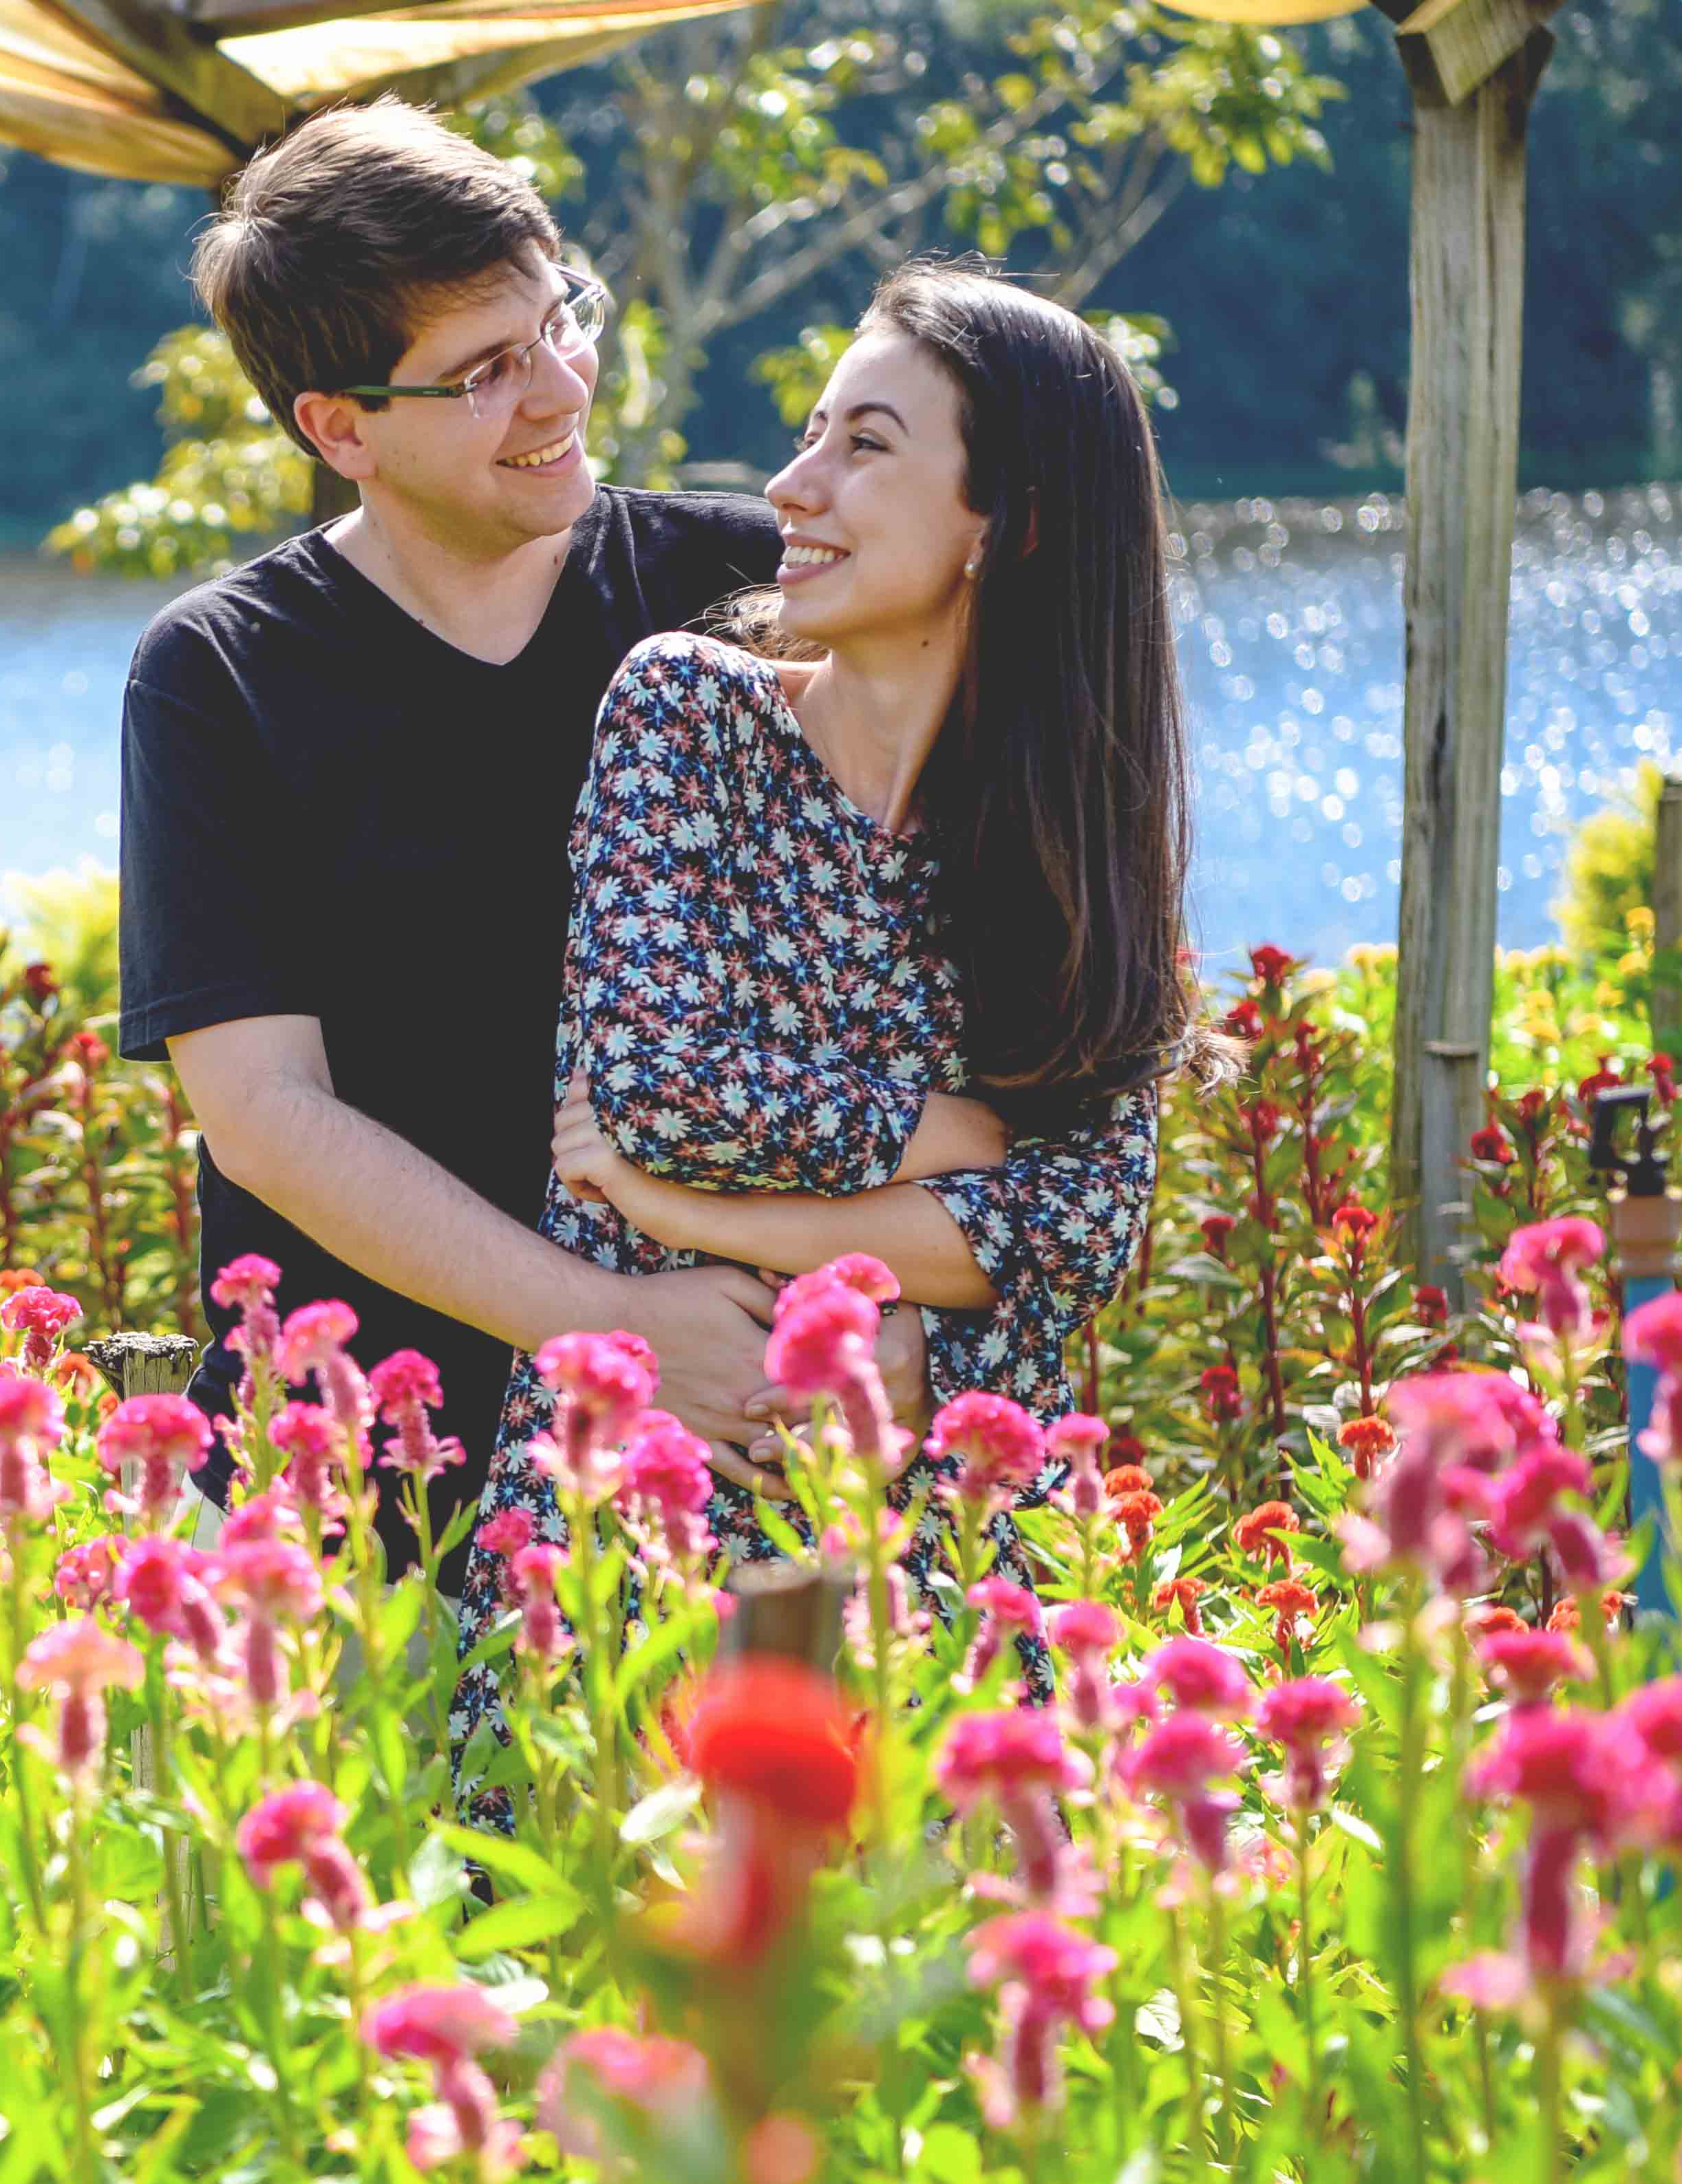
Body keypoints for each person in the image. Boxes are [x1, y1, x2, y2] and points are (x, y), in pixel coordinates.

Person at [116, 101, 931, 1580]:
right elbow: (263, 1116)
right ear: (337, 426)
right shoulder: (220, 672)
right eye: (483, 370)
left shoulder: (749, 585)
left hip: (719, 1474)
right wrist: (608, 1333)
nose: (558, 386)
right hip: (357, 1505)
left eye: (560, 320)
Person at [440, 260, 1193, 1776]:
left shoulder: (1068, 846)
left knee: (983, 1952)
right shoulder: (686, 714)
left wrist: (664, 1199)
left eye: (864, 444)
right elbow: (653, 1083)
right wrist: (944, 1160)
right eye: (807, 431)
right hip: (623, 1503)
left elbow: (1079, 1229)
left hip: (933, 1506)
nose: (791, 485)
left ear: (1012, 520)